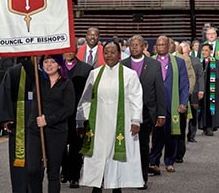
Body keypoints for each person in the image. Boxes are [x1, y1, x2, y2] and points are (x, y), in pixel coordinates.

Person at [76, 40, 144, 192]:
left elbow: (136, 98)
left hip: (121, 123)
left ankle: (116, 186)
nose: (109, 55)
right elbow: (86, 99)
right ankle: (97, 185)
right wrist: (80, 121)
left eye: (113, 52)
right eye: (106, 52)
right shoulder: (95, 73)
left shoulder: (129, 75)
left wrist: (136, 121)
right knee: (98, 155)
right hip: (99, 124)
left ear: (119, 54)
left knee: (116, 157)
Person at [121, 35, 166, 189]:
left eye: (137, 44)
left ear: (144, 47)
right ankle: (127, 177)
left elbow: (160, 90)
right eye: (131, 45)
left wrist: (161, 114)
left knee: (143, 146)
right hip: (127, 112)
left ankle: (142, 178)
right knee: (127, 146)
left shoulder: (154, 65)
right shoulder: (123, 64)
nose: (134, 47)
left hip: (147, 112)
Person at [26, 54, 75, 193]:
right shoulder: (38, 78)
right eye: (45, 62)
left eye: (52, 62)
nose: (48, 65)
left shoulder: (67, 83)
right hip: (35, 130)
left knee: (53, 172)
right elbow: (25, 63)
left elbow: (68, 109)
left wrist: (48, 119)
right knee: (33, 170)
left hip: (57, 131)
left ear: (60, 64)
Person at [0, 57, 33, 193]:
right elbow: (5, 94)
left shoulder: (49, 69)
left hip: (42, 122)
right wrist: (6, 118)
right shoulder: (15, 72)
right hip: (19, 120)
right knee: (19, 162)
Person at [149, 35, 189, 174]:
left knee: (171, 135)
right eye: (158, 45)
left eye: (163, 45)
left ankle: (169, 161)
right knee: (156, 136)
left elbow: (184, 84)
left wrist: (183, 102)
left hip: (172, 104)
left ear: (168, 46)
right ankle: (153, 161)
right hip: (154, 105)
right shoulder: (150, 62)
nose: (160, 47)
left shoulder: (179, 62)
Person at [60, 45, 93, 189]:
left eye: (71, 50)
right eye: (65, 50)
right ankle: (65, 169)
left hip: (78, 113)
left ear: (76, 51)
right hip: (59, 114)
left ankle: (74, 176)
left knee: (76, 147)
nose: (68, 53)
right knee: (60, 146)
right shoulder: (55, 66)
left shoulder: (86, 69)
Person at [197, 43, 219, 135]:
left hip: (212, 91)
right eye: (203, 50)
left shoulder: (217, 63)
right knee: (201, 108)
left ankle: (210, 127)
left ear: (211, 51)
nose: (204, 52)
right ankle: (203, 126)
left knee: (211, 108)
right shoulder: (198, 62)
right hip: (201, 90)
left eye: (206, 50)